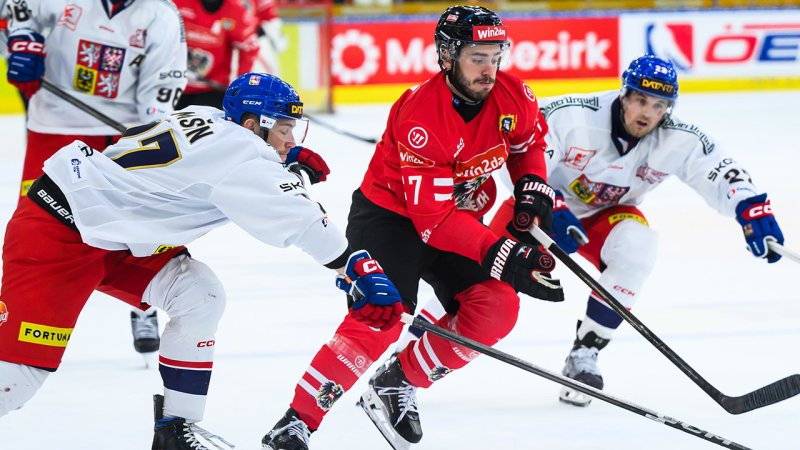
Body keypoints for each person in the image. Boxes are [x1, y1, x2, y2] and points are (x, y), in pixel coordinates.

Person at [0, 71, 399, 450]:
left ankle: (175, 432)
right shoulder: (243, 157)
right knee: (17, 380)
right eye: (283, 129)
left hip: (113, 231)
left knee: (198, 294)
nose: (290, 139)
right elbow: (302, 220)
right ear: (252, 125)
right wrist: (358, 269)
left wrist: (285, 157)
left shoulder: (206, 115)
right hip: (60, 234)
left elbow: (232, 162)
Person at [397, 54, 787, 408]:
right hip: (537, 211)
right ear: (624, 94)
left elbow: (718, 169)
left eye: (659, 105)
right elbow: (517, 152)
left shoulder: (677, 137)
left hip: (607, 216)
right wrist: (549, 204)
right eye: (641, 100)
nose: (648, 113)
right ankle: (419, 335)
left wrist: (750, 207)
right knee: (483, 282)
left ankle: (585, 353)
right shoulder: (574, 116)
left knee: (638, 248)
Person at [262, 6, 565, 450]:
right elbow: (433, 222)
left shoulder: (513, 94)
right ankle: (296, 423)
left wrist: (532, 184)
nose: (489, 69)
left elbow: (526, 144)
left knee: (497, 307)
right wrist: (498, 251)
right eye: (477, 58)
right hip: (390, 220)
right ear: (447, 56)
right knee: (380, 317)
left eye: (495, 56)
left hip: (455, 219)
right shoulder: (422, 113)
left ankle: (396, 381)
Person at [4, 0, 188, 356]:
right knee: (33, 229)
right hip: (52, 127)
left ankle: (144, 307)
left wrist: (146, 139)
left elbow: (159, 95)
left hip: (119, 137)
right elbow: (19, 6)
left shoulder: (160, 14)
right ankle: (11, 310)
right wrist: (23, 36)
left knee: (136, 229)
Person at [174, 0, 260, 109]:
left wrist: (241, 87)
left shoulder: (237, 11)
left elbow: (250, 49)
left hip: (212, 88)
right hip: (173, 83)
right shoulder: (179, 3)